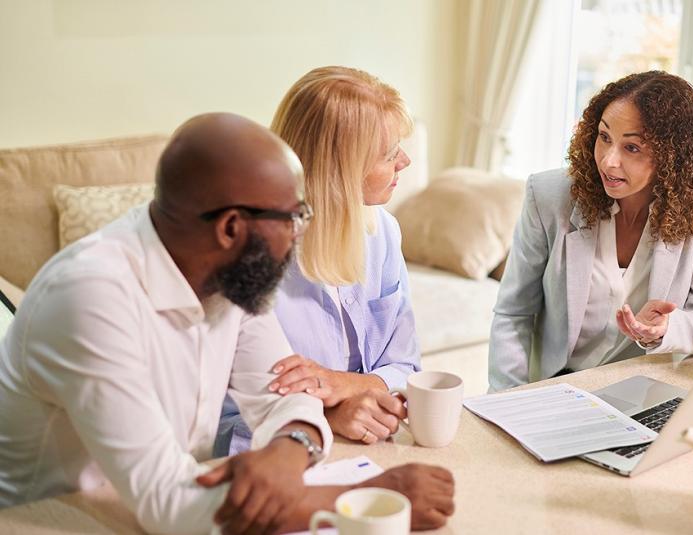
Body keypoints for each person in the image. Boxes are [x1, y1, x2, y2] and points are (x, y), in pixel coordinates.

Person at [0, 113, 454, 534]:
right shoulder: (90, 298)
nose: (301, 233)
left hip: (179, 506)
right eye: (295, 217)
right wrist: (369, 499)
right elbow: (169, 503)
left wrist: (288, 450)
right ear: (232, 227)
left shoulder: (225, 271)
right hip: (51, 520)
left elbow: (287, 395)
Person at [489, 71, 693, 391]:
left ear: (673, 157)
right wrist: (508, 399)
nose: (608, 161)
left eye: (632, 147)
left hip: (642, 390)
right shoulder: (549, 196)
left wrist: (665, 329)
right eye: (604, 137)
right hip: (556, 388)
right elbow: (513, 313)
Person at [218, 66, 420, 449]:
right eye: (390, 154)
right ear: (341, 171)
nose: (405, 161)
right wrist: (325, 416)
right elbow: (224, 416)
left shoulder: (384, 232)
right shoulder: (246, 260)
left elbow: (406, 366)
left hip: (372, 441)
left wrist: (345, 384)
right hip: (276, 453)